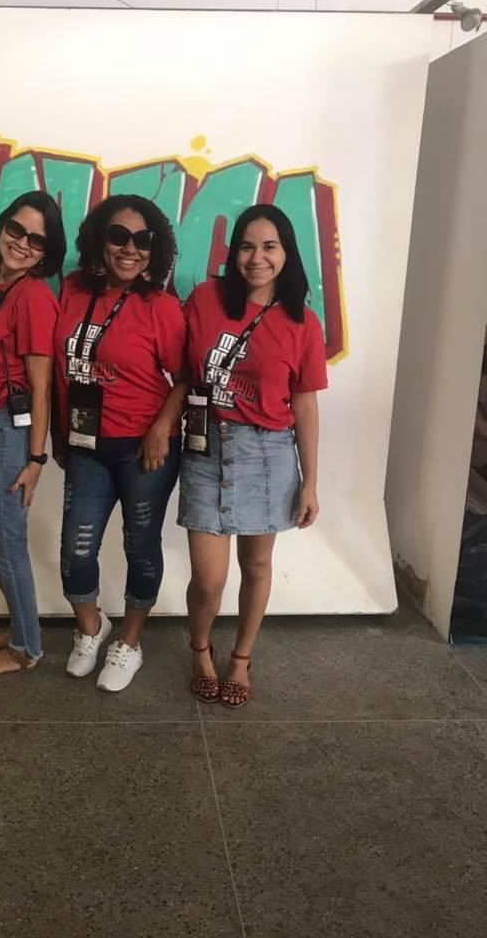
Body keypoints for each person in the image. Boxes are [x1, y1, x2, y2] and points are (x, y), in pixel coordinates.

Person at [179, 203, 328, 708]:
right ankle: (200, 648)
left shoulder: (302, 323)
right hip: (206, 446)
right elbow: (180, 370)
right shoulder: (204, 300)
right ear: (233, 252)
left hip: (268, 452)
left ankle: (241, 659)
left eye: (269, 246)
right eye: (246, 246)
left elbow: (304, 405)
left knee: (257, 564)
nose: (256, 257)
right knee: (209, 579)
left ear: (286, 253)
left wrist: (309, 481)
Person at [52, 194, 186, 692]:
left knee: (140, 546)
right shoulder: (72, 290)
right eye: (118, 236)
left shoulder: (160, 307)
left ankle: (129, 641)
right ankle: (92, 627)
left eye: (143, 239)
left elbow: (185, 377)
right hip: (86, 444)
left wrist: (159, 429)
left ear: (156, 248)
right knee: (76, 550)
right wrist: (57, 433)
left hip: (143, 449)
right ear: (98, 240)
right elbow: (57, 368)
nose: (130, 249)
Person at [0, 191, 66, 676]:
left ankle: (27, 648)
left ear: (47, 251)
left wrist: (36, 460)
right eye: (17, 230)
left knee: (5, 542)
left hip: (10, 427)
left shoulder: (35, 298)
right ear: (3, 225)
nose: (22, 243)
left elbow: (41, 389)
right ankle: (22, 624)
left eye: (36, 240)